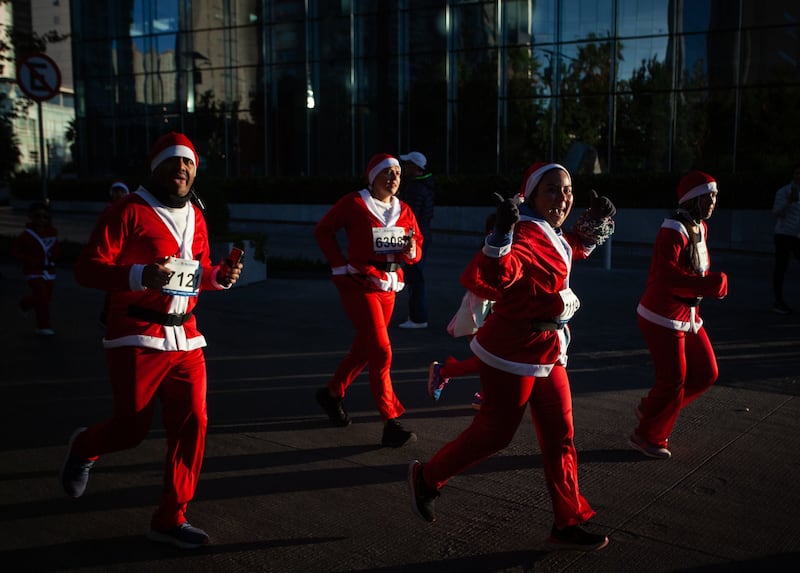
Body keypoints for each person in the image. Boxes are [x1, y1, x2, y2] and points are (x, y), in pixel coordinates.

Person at [408, 162, 616, 551]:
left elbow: (570, 249)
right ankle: (426, 478)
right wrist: (501, 233)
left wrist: (595, 220)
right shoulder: (523, 234)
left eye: (567, 189)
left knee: (561, 438)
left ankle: (566, 521)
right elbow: (501, 275)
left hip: (548, 350)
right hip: (511, 352)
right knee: (494, 436)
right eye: (551, 190)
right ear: (532, 196)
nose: (563, 197)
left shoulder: (549, 232)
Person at [59, 132, 243, 549]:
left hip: (187, 337)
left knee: (194, 424)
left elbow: (199, 271)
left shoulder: (197, 212)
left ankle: (169, 518)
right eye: (174, 162)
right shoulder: (127, 211)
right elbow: (87, 270)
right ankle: (85, 445)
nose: (182, 169)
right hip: (136, 335)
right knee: (131, 429)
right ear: (155, 166)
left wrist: (219, 277)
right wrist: (140, 274)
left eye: (190, 163)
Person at [314, 153, 424, 448]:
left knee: (365, 349)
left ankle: (332, 392)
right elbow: (323, 230)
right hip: (359, 283)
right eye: (387, 172)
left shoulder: (405, 210)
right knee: (381, 350)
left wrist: (412, 249)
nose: (393, 177)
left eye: (398, 173)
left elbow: (418, 248)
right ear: (372, 176)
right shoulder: (354, 203)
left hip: (389, 287)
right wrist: (339, 265)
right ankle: (390, 421)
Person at [631, 170, 728, 460]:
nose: (713, 202)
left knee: (707, 373)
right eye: (708, 196)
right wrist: (710, 285)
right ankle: (647, 435)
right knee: (673, 380)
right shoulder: (672, 229)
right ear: (692, 199)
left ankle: (651, 409)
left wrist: (707, 284)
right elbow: (665, 275)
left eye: (715, 196)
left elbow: (695, 269)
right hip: (661, 315)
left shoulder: (700, 227)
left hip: (687, 314)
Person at [428, 213, 501, 410]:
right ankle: (447, 372)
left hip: (494, 313)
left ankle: (448, 372)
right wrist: (498, 294)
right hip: (480, 313)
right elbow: (469, 279)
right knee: (492, 358)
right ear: (491, 232)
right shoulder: (487, 252)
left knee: (495, 358)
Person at [397, 151, 434, 329]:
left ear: (415, 167)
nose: (404, 168)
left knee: (415, 277)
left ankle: (418, 318)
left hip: (416, 236)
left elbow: (410, 216)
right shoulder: (425, 185)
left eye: (407, 164)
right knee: (416, 276)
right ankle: (417, 316)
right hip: (424, 234)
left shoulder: (415, 188)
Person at [11, 201, 60, 335]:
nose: (41, 220)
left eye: (45, 217)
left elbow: (56, 250)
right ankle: (43, 326)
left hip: (49, 272)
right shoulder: (26, 236)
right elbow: (16, 252)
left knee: (44, 298)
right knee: (42, 296)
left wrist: (53, 256)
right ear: (31, 217)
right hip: (33, 272)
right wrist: (30, 261)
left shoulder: (52, 234)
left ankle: (25, 303)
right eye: (37, 216)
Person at [99, 180, 131, 327]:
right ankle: (108, 316)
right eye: (115, 191)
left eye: (121, 191)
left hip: (127, 255)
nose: (118, 194)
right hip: (113, 255)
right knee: (113, 289)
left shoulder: (132, 210)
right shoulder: (108, 211)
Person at [770, 164, 800, 314]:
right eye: (796, 173)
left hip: (797, 235)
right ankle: (778, 300)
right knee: (781, 268)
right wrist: (789, 201)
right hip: (783, 234)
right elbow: (776, 211)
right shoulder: (784, 192)